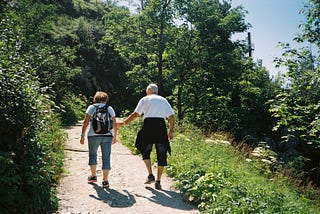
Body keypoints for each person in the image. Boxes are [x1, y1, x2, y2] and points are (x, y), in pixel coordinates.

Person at [119, 83, 174, 190]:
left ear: (148, 91)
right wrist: (170, 131)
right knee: (161, 153)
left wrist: (124, 123)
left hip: (148, 126)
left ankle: (150, 174)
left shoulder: (145, 99)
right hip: (161, 127)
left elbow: (136, 114)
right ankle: (158, 180)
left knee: (144, 149)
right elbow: (171, 117)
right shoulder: (163, 100)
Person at [80, 91, 117, 188]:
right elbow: (114, 123)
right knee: (106, 157)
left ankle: (93, 176)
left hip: (93, 135)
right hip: (107, 136)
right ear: (105, 99)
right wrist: (115, 136)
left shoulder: (91, 107)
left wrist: (82, 135)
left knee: (93, 155)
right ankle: (105, 181)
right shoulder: (109, 108)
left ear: (95, 99)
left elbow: (86, 122)